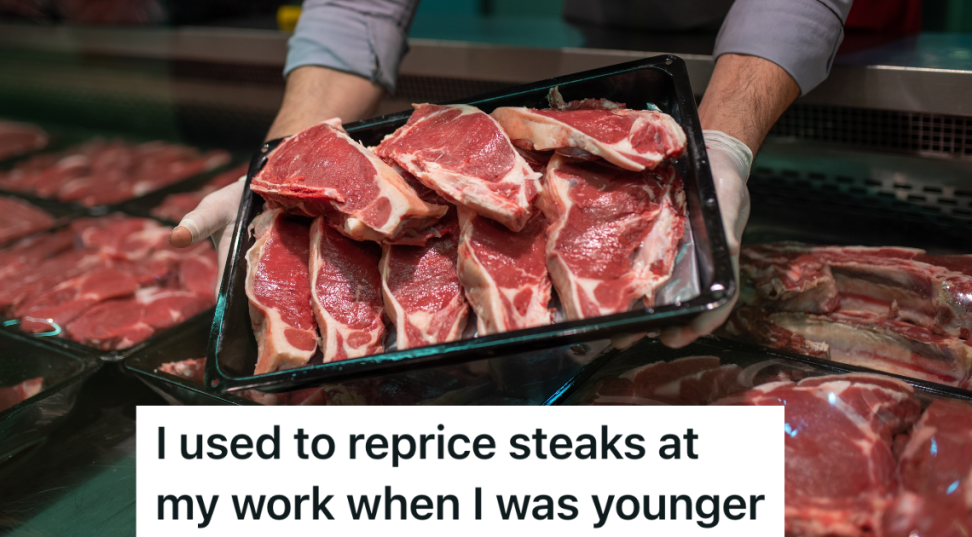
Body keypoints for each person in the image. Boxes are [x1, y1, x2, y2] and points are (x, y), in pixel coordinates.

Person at [169, 0, 853, 348]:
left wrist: (726, 145)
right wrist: (287, 164)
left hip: (795, 74)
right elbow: (357, 9)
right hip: (612, 49)